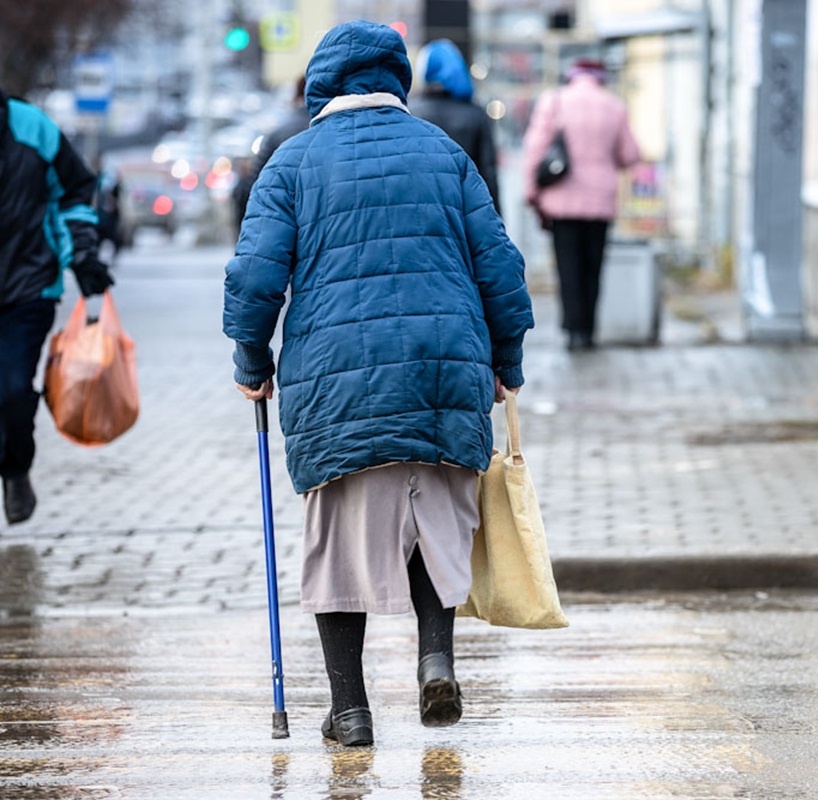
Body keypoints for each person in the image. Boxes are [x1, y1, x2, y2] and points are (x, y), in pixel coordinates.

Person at [222, 20, 533, 746]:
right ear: (396, 81)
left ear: (320, 87)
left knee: (337, 544)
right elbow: (501, 269)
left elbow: (255, 275)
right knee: (438, 530)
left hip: (337, 380)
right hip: (444, 364)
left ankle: (351, 709)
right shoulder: (444, 153)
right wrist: (505, 363)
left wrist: (251, 361)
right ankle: (434, 658)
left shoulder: (292, 161)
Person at [0, 87, 114, 525]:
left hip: (27, 288)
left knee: (11, 391)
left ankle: (15, 469)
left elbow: (77, 189)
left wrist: (83, 254)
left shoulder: (32, 127)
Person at [523, 58, 640, 351]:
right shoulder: (614, 106)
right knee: (593, 266)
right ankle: (588, 329)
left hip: (562, 200)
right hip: (600, 200)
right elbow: (629, 154)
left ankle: (573, 329)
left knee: (568, 266)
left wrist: (531, 192)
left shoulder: (556, 101)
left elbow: (535, 147)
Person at [408, 39, 501, 213]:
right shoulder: (475, 114)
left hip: (421, 214)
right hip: (466, 214)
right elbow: (489, 174)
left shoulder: (411, 111)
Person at [231, 76, 310, 232]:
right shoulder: (341, 132)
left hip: (282, 228)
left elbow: (255, 185)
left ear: (296, 97)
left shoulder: (278, 135)